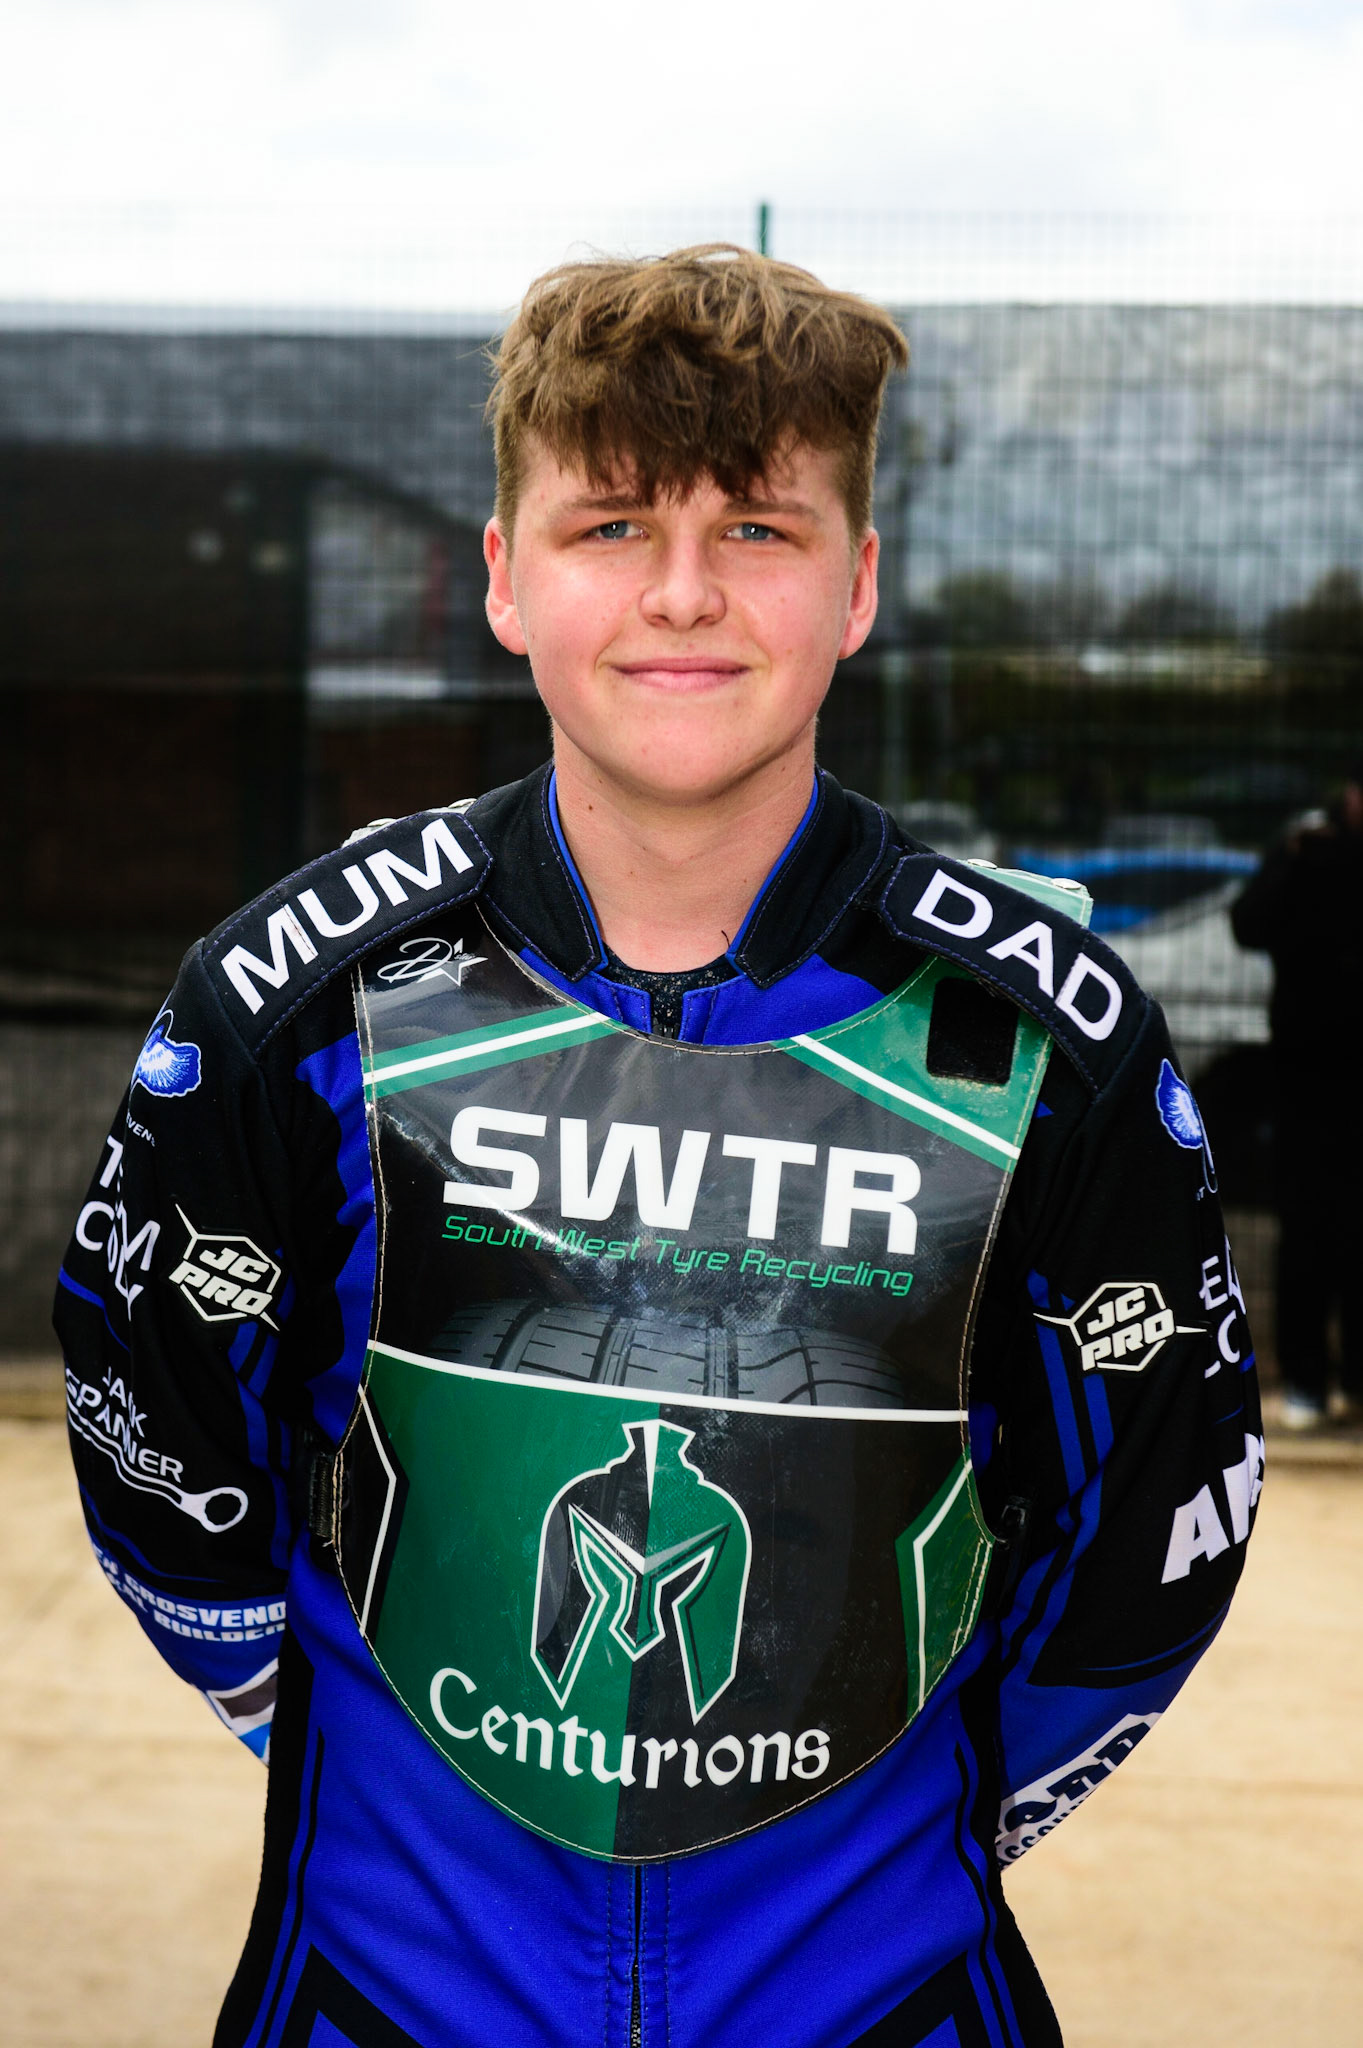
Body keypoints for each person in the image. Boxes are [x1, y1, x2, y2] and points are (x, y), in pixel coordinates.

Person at [57, 247, 1261, 2048]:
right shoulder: (295, 996)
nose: (682, 594)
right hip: (382, 1988)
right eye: (610, 524)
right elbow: (154, 1423)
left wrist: (897, 1829)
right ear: (504, 577)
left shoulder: (1043, 1033)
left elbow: (1152, 1523)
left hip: (882, 1995)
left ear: (856, 584)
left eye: (757, 529)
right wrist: (351, 1757)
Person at [1232, 775, 1363, 1429]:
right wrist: (1288, 858)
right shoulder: (1306, 854)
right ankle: (1307, 1380)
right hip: (1306, 1076)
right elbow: (1247, 925)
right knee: (1306, 1230)